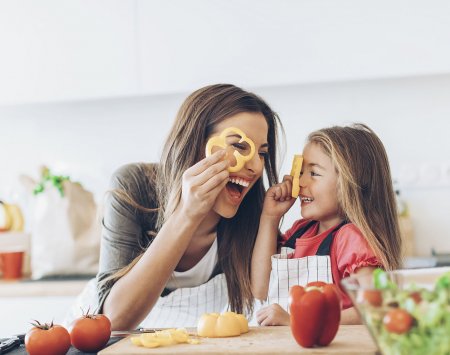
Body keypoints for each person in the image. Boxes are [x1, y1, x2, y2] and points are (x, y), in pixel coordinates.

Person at [96, 84, 283, 330]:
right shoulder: (134, 186)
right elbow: (114, 321)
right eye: (239, 147)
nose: (256, 167)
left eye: (262, 153)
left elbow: (263, 297)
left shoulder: (253, 213)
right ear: (196, 142)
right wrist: (187, 214)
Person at [251, 123, 402, 326]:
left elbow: (375, 307)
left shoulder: (351, 238)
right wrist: (270, 218)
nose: (300, 182)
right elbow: (260, 289)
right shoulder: (300, 231)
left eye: (313, 173)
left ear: (349, 184)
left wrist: (298, 320)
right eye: (301, 172)